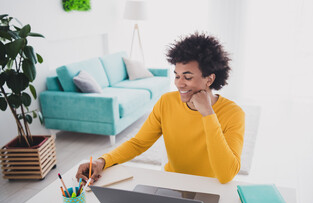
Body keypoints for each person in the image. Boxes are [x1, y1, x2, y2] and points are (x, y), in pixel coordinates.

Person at [76, 32, 245, 184]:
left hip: (212, 188)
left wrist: (208, 114)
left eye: (187, 77)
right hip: (172, 183)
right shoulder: (167, 102)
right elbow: (138, 143)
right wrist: (102, 161)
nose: (179, 83)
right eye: (177, 76)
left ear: (209, 79)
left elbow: (226, 175)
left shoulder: (233, 114)